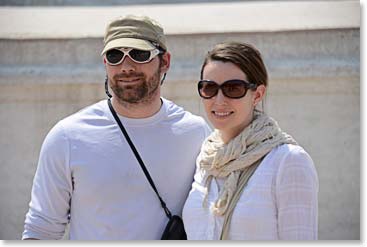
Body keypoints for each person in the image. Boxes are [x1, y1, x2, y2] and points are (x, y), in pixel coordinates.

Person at [22, 15, 211, 240]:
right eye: (115, 56)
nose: (126, 67)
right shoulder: (67, 137)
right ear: (105, 64)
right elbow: (41, 230)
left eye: (139, 55)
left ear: (165, 62)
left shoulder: (196, 133)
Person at [182, 42, 319, 240]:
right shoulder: (206, 160)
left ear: (258, 94)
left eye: (233, 88)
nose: (219, 100)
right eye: (209, 88)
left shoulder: (288, 161)